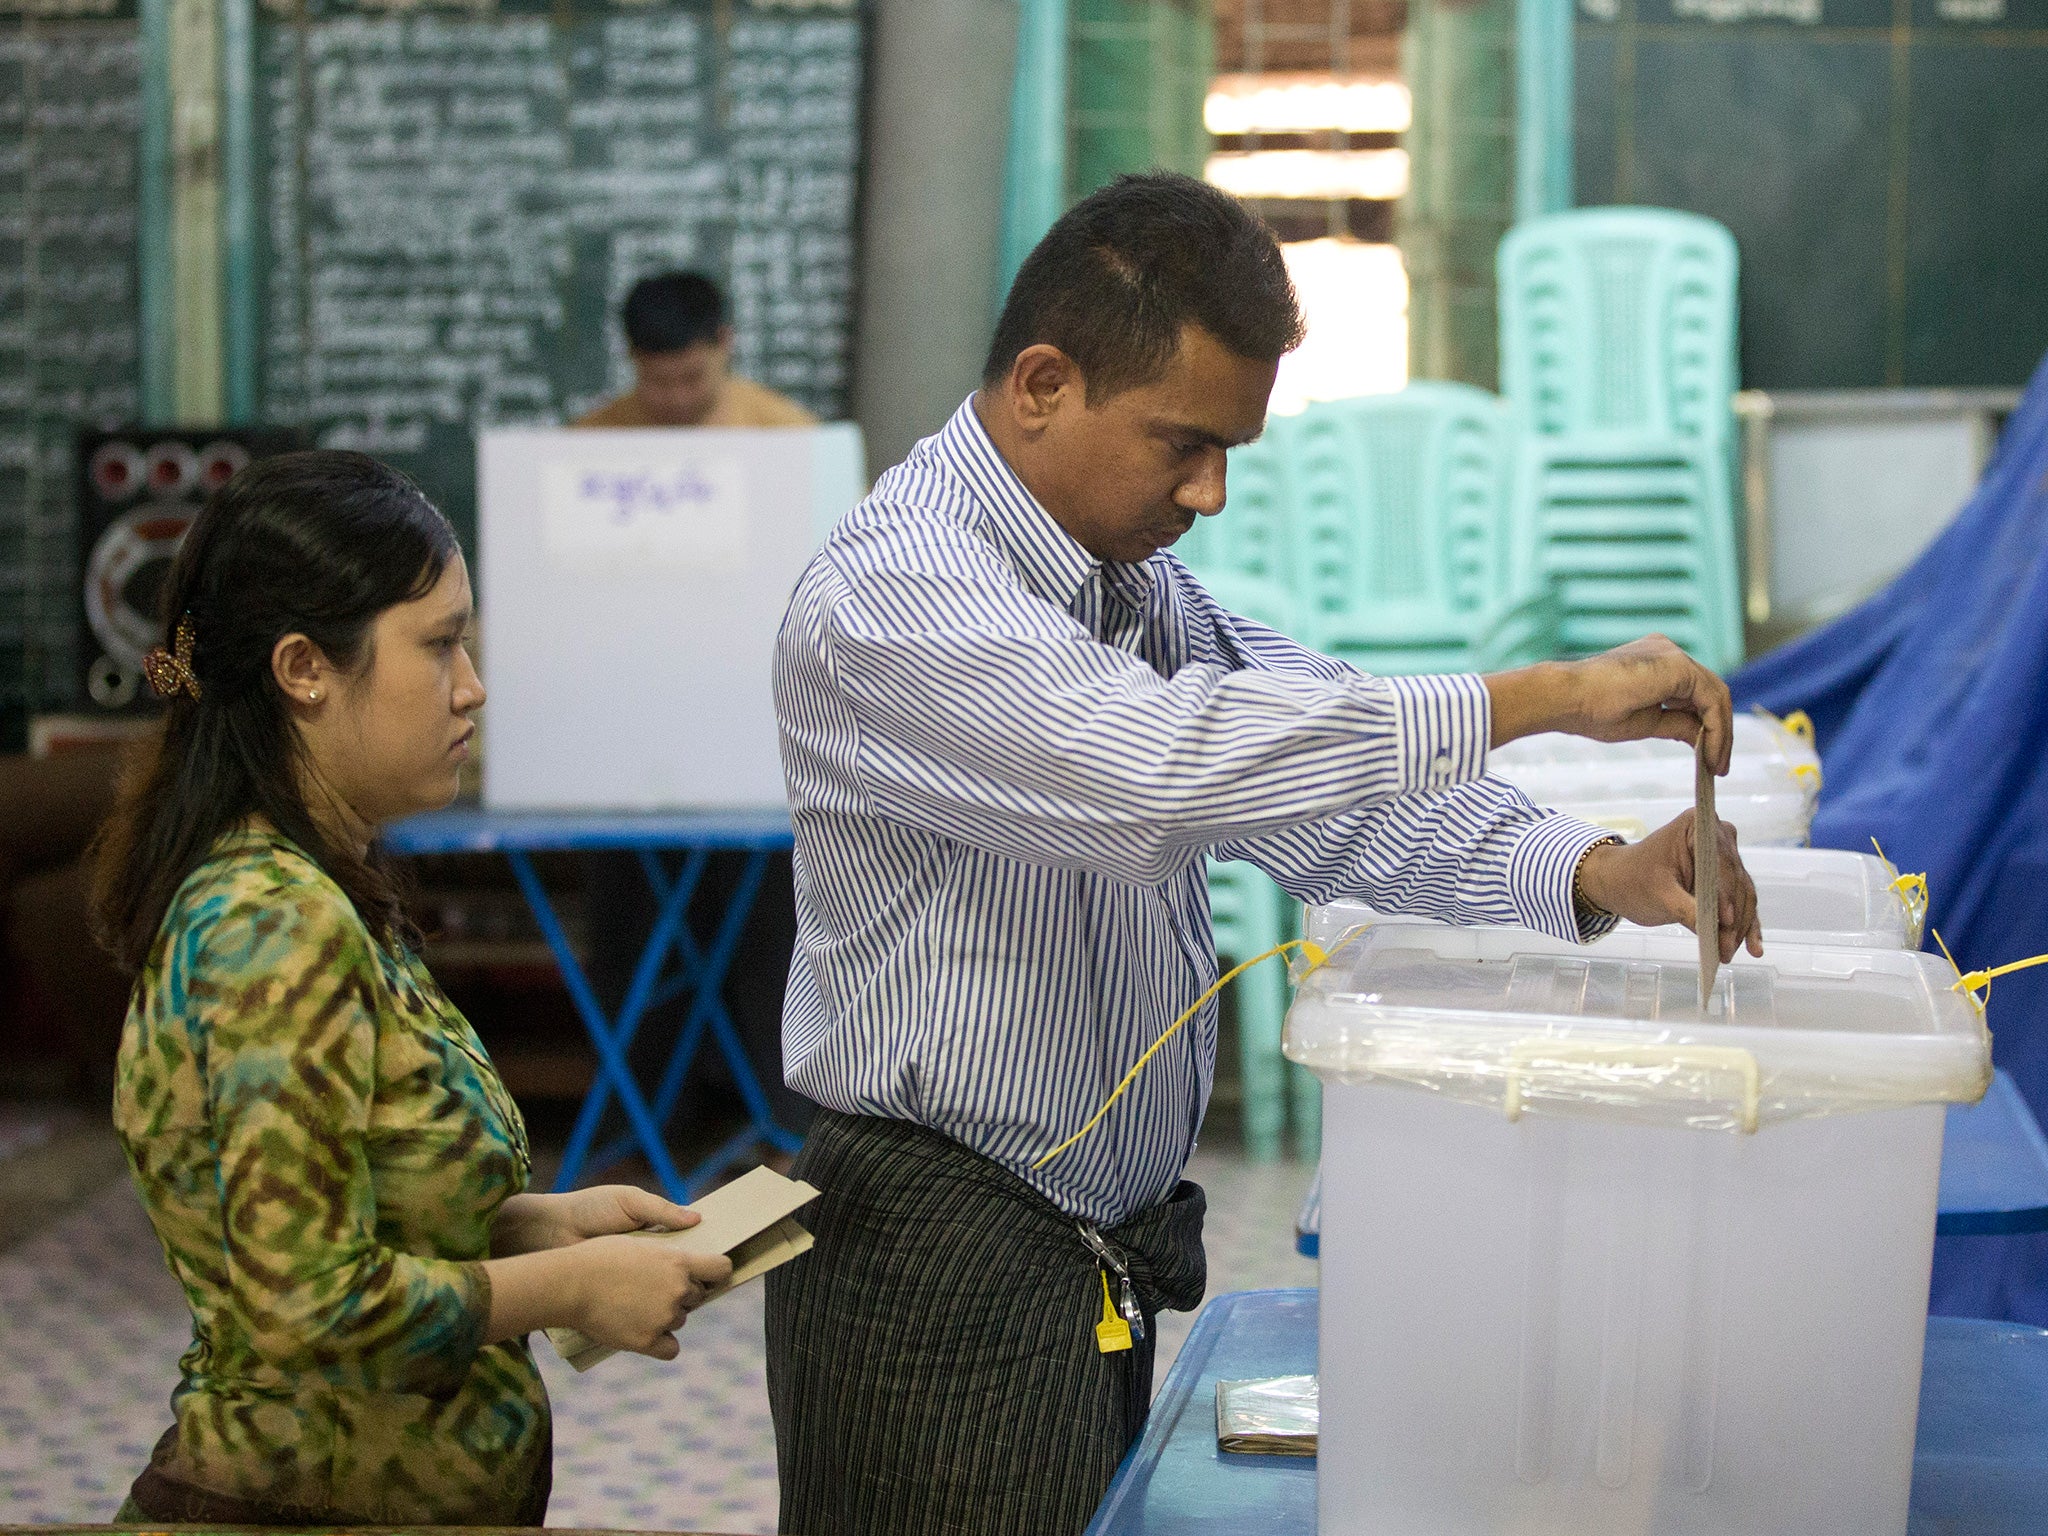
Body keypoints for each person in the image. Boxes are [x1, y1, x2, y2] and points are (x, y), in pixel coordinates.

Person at [763, 171, 1763, 1536]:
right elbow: (1165, 769)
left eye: (1233, 448)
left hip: (1062, 1245)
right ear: (1044, 383)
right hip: (936, 1252)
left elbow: (1322, 794)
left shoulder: (1127, 584)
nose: (1212, 492)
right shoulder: (898, 593)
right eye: (1183, 441)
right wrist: (1541, 696)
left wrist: (1593, 870)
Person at [91, 451, 735, 1527]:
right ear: (305, 668)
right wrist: (572, 1292)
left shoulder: (317, 889)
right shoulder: (270, 923)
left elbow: (362, 1211)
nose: (472, 686)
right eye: (439, 644)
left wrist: (542, 1227)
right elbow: (308, 1301)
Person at [575, 271, 817, 429]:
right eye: (658, 381)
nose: (677, 398)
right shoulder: (587, 441)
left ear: (724, 343)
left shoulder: (787, 432)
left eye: (692, 377)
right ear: (631, 356)